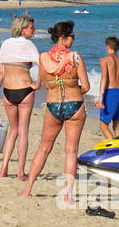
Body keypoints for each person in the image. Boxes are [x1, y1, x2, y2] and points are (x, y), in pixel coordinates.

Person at [20, 21, 90, 205]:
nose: (74, 40)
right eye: (72, 36)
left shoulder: (43, 58)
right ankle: (68, 196)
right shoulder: (75, 57)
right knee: (71, 151)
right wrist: (74, 92)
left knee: (44, 147)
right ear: (64, 37)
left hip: (52, 106)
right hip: (74, 105)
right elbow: (87, 86)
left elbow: (39, 85)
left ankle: (27, 189)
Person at [0, 14, 39, 181]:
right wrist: (37, 83)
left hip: (8, 91)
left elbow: (0, 72)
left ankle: (4, 168)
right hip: (25, 90)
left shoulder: (5, 44)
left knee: (13, 131)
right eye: (32, 28)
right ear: (23, 29)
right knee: (23, 131)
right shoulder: (29, 45)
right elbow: (43, 66)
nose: (34, 30)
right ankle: (20, 172)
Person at [95, 35, 119, 140]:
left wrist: (100, 97)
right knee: (116, 126)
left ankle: (113, 148)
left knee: (103, 125)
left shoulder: (104, 60)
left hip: (111, 93)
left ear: (107, 46)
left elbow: (104, 78)